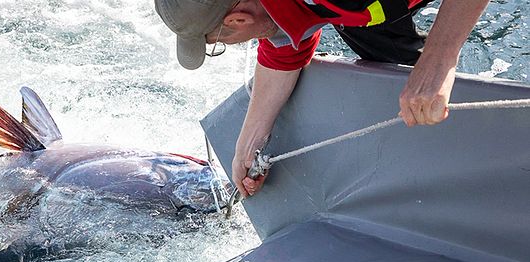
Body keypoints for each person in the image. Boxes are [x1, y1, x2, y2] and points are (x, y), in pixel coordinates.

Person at [154, 0, 490, 197]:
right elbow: (285, 39)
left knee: (428, 72)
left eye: (217, 42)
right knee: (401, 70)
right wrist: (251, 140)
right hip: (368, 6)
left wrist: (440, 58)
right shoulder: (280, 7)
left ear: (238, 19)